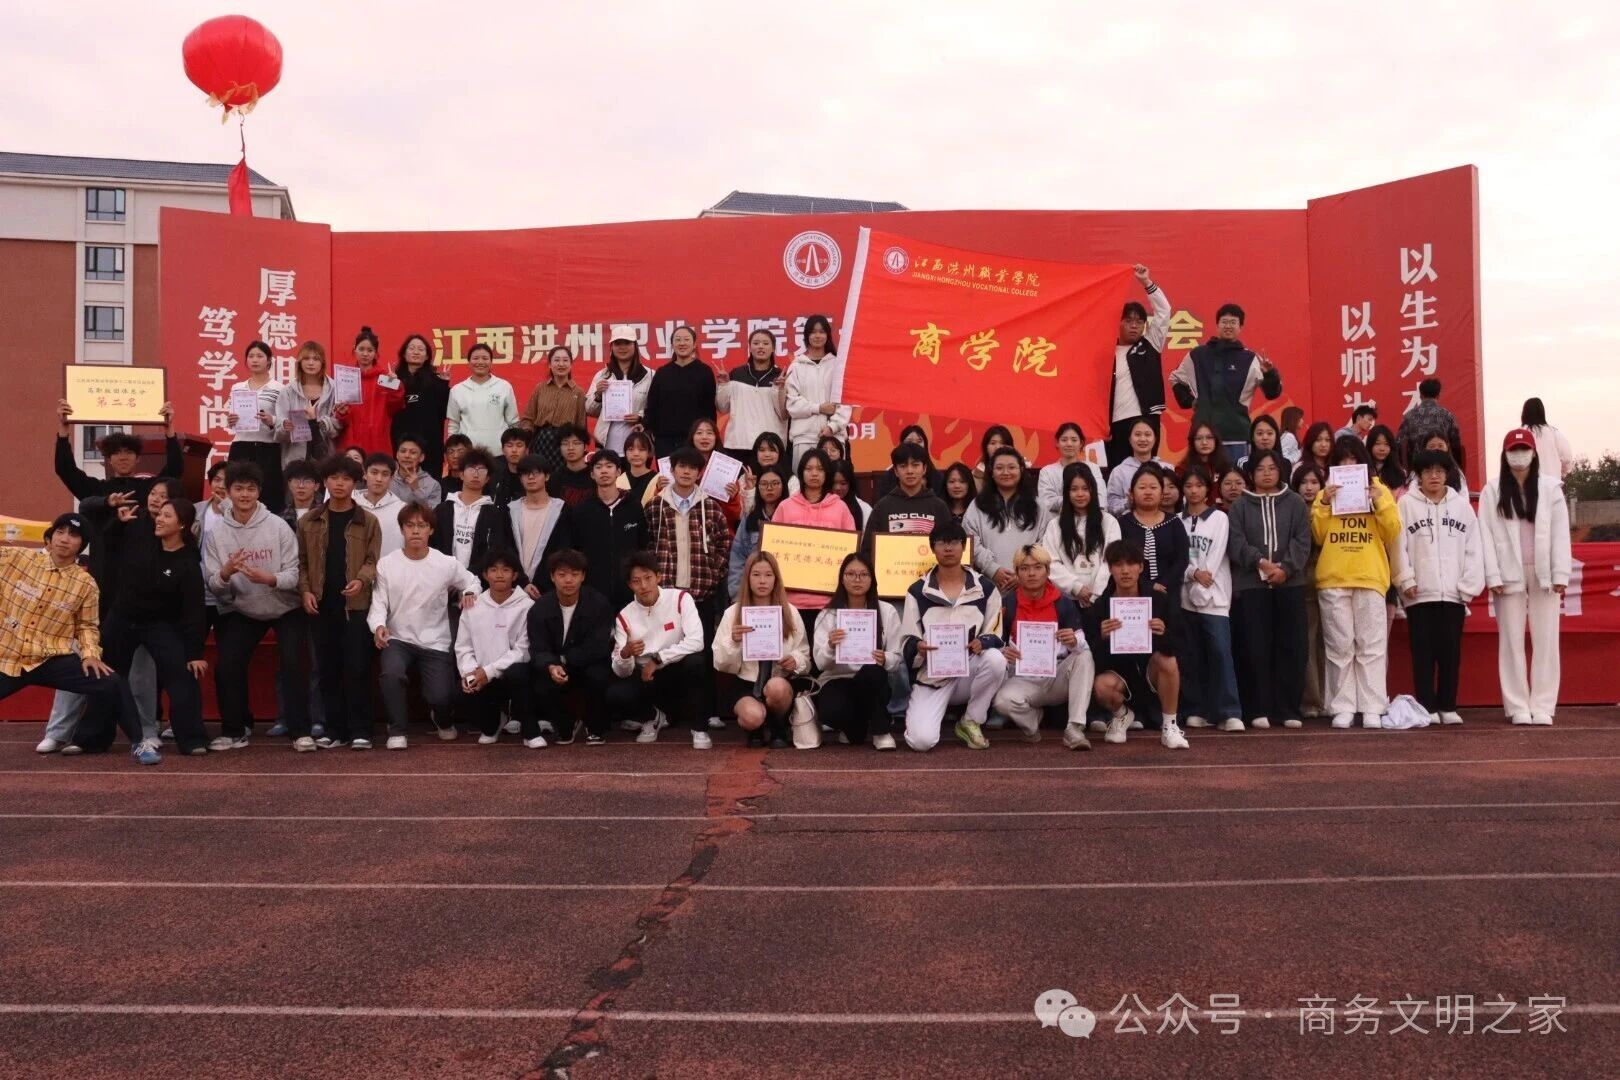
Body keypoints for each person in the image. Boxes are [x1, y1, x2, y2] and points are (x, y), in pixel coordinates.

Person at [3, 515, 138, 760]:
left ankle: (141, 743)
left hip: (50, 658)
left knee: (111, 682)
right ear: (49, 538)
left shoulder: (85, 583)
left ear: (81, 546)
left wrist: (90, 654)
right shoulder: (17, 558)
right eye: (60, 532)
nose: (65, 539)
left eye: (73, 535)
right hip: (7, 656)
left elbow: (87, 626)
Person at [203, 462, 307, 750]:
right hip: (245, 608)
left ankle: (300, 731)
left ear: (259, 492)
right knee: (227, 665)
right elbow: (213, 584)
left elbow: (296, 574)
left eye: (251, 489)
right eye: (239, 489)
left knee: (292, 663)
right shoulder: (217, 533)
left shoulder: (278, 526)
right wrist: (226, 573)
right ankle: (235, 730)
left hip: (286, 606)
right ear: (229, 492)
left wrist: (270, 578)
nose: (245, 495)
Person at [98, 498, 208, 761]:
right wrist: (117, 524)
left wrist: (195, 653)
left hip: (159, 625)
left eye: (167, 516)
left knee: (182, 674)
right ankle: (93, 737)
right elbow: (107, 544)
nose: (159, 519)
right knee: (105, 675)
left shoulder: (188, 563)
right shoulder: (142, 541)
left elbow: (194, 611)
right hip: (121, 618)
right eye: (160, 515)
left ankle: (192, 739)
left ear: (182, 525)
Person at [369, 502, 481, 749]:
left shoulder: (445, 563)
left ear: (431, 530)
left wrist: (469, 592)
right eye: (410, 525)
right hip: (397, 637)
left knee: (440, 697)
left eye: (422, 525)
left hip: (435, 640)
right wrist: (378, 626)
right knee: (391, 674)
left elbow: (472, 581)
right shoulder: (387, 564)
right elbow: (379, 602)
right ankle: (397, 730)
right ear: (402, 529)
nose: (416, 531)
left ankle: (442, 718)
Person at [1479, 428, 1571, 725]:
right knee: (1511, 639)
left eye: (1523, 449)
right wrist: (1492, 575)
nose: (1519, 455)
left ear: (1534, 453)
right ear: (1505, 455)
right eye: (1513, 450)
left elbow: (1560, 533)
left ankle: (1543, 704)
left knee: (1546, 638)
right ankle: (1517, 705)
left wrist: (1560, 572)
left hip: (1544, 572)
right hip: (1508, 573)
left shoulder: (1551, 488)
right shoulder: (1492, 490)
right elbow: (1485, 535)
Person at [1311, 437, 1403, 729]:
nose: (1348, 464)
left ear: (1363, 462)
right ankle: (1342, 706)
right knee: (1339, 646)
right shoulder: (1325, 493)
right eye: (1342, 460)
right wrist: (1324, 503)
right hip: (1333, 576)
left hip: (1370, 575)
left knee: (1371, 645)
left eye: (1354, 459)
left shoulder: (1380, 490)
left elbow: (1393, 531)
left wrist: (1379, 501)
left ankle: (1372, 706)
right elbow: (1318, 535)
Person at [899, 523, 1008, 752]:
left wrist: (982, 642)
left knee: (996, 659)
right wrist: (918, 647)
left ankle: (971, 720)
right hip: (932, 676)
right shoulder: (917, 591)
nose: (948, 548)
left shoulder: (985, 588)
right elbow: (907, 639)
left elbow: (995, 633)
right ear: (932, 548)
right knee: (921, 742)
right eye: (941, 543)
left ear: (964, 547)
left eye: (954, 542)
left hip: (970, 670)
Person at [297, 454, 380, 750]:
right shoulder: (308, 521)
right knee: (327, 669)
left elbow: (373, 560)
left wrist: (361, 579)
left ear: (355, 483)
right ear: (324, 482)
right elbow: (302, 563)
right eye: (334, 478)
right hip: (321, 605)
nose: (340, 484)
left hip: (355, 607)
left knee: (358, 668)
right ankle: (335, 730)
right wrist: (305, 591)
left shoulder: (368, 521)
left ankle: (361, 730)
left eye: (346, 478)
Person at [1396, 450, 1486, 725]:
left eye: (1439, 471)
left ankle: (1448, 705)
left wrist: (1467, 587)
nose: (1433, 476)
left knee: (1450, 654)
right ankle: (1427, 706)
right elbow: (1397, 546)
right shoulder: (1406, 505)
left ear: (1447, 474)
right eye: (1427, 471)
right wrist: (1406, 579)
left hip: (1453, 595)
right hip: (1419, 594)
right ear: (1419, 476)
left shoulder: (1462, 507)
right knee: (1422, 654)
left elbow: (1474, 548)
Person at [1226, 449, 1313, 730]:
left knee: (1292, 646)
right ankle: (1257, 708)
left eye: (1272, 468)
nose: (1266, 473)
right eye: (1260, 468)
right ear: (1251, 474)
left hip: (1290, 584)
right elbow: (1236, 543)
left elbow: (1302, 540)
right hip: (1251, 586)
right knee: (1254, 647)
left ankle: (1288, 709)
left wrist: (1285, 569)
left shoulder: (1295, 502)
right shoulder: (1240, 506)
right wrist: (1261, 563)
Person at [646, 446, 733, 725]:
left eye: (692, 468)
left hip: (700, 596)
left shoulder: (711, 507)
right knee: (665, 652)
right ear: (672, 470)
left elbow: (724, 544)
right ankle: (666, 712)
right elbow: (646, 546)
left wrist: (712, 575)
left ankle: (707, 713)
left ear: (699, 473)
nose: (686, 472)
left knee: (702, 653)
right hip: (666, 597)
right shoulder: (655, 507)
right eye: (681, 466)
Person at [1083, 540, 1186, 749]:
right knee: (1101, 686)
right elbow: (1089, 655)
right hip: (1120, 675)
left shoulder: (1159, 600)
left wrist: (1163, 633)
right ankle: (1121, 715)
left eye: (1131, 564)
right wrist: (1102, 637)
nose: (1125, 571)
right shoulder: (1101, 605)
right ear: (1110, 569)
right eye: (1118, 565)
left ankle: (1170, 726)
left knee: (1168, 661)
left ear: (1140, 567)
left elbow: (1181, 644)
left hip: (1151, 672)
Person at [992, 544, 1094, 749]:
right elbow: (994, 643)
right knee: (1002, 702)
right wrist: (1003, 652)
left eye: (1038, 567)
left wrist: (1074, 641)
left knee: (1084, 656)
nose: (1031, 574)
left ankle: (1074, 728)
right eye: (1024, 568)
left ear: (1047, 571)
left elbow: (1081, 643)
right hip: (1023, 678)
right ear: (1017, 573)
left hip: (1057, 676)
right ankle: (1031, 725)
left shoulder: (1063, 603)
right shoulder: (1007, 604)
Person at [609, 551, 711, 749]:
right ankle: (652, 717)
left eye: (648, 578)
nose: (644, 585)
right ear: (630, 585)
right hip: (646, 678)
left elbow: (697, 641)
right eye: (636, 581)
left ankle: (699, 728)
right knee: (616, 692)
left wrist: (658, 659)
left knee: (697, 661)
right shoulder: (624, 616)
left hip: (676, 668)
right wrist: (626, 653)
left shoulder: (680, 598)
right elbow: (621, 671)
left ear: (658, 576)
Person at [713, 551, 809, 748]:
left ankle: (778, 727)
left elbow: (805, 656)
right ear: (747, 578)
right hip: (745, 683)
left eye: (768, 575)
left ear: (776, 579)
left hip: (779, 680)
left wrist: (795, 660)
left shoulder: (790, 612)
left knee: (777, 687)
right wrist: (733, 641)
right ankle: (755, 728)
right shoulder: (732, 613)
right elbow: (720, 663)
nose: (762, 581)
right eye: (756, 574)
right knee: (752, 717)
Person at [813, 552, 904, 749]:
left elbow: (897, 658)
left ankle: (881, 731)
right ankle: (856, 726)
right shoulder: (828, 615)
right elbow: (820, 664)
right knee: (831, 711)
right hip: (837, 679)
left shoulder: (886, 611)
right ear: (842, 578)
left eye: (864, 574)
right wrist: (830, 646)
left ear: (872, 579)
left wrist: (885, 658)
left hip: (872, 680)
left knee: (873, 672)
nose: (857, 579)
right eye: (851, 574)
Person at [1170, 304, 1283, 460]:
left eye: (1233, 322)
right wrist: (1190, 401)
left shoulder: (1250, 359)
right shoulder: (1198, 355)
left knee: (1236, 475)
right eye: (1224, 322)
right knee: (1202, 475)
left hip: (1236, 436)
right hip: (1203, 436)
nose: (1228, 326)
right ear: (1217, 325)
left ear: (1240, 327)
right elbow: (1175, 378)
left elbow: (1272, 394)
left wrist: (1270, 374)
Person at [1176, 466, 1241, 732]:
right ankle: (1197, 709)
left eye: (1199, 486)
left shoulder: (1219, 518)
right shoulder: (1176, 521)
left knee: (1220, 653)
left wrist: (1202, 586)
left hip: (1215, 597)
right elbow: (1178, 558)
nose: (1194, 491)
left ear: (1207, 489)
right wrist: (1192, 575)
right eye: (1189, 486)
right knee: (1192, 656)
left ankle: (1229, 711)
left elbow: (1215, 556)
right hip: (1185, 598)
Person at [528, 549, 616, 745]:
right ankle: (565, 725)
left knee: (598, 676)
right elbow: (538, 647)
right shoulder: (540, 608)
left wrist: (564, 660)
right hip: (555, 664)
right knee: (540, 682)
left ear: (583, 576)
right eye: (562, 574)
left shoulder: (599, 604)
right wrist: (551, 665)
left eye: (575, 574)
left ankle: (596, 727)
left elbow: (598, 645)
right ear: (552, 577)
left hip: (589, 662)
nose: (568, 580)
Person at [454, 548, 539, 747]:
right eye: (493, 570)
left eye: (506, 570)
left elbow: (523, 651)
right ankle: (493, 724)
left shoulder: (527, 606)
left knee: (518, 673)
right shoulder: (473, 606)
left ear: (515, 575)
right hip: (482, 676)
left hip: (513, 674)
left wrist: (489, 672)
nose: (499, 575)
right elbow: (463, 647)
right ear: (485, 575)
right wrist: (470, 673)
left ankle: (530, 732)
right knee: (461, 690)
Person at [771, 449, 855, 633]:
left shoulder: (840, 508)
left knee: (825, 650)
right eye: (809, 469)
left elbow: (851, 555)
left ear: (827, 473)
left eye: (820, 469)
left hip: (829, 601)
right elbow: (771, 552)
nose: (814, 473)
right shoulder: (786, 507)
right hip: (791, 600)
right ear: (801, 472)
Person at [1107, 264, 1172, 468]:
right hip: (1115, 423)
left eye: (1139, 322)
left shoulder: (1150, 344)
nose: (1134, 325)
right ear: (1118, 323)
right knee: (1118, 472)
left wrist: (1146, 282)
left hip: (1146, 419)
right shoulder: (1107, 353)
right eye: (1129, 321)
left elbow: (1164, 311)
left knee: (1147, 473)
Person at [964, 447, 1049, 596]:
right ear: (991, 472)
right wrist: (992, 569)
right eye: (999, 468)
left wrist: (1024, 572)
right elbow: (970, 540)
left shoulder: (1037, 505)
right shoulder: (978, 505)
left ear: (1021, 470)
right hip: (988, 588)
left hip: (1029, 588)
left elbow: (1045, 541)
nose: (1006, 472)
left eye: (1011, 467)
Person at [572, 450, 646, 611]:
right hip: (592, 591)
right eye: (598, 467)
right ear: (592, 474)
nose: (604, 471)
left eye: (609, 466)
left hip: (629, 589)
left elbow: (643, 544)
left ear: (618, 472)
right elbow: (575, 550)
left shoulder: (633, 506)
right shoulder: (581, 510)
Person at [222, 339, 289, 515]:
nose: (255, 360)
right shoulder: (238, 387)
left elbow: (285, 421)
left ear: (269, 361)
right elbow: (231, 417)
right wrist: (231, 420)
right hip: (241, 446)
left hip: (268, 448)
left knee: (268, 495)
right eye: (251, 356)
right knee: (238, 491)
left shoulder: (279, 388)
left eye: (260, 356)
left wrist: (271, 420)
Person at [1042, 462, 1120, 607]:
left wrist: (1095, 594)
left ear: (1093, 490)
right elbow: (1050, 562)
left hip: (1101, 600)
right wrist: (1076, 588)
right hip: (1066, 601)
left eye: (1085, 489)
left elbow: (1111, 559)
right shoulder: (1055, 525)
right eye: (1074, 489)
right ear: (1066, 492)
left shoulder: (1109, 522)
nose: (1080, 494)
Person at [432, 448, 517, 580]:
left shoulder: (495, 514)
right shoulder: (443, 509)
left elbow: (496, 550)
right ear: (461, 474)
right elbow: (433, 546)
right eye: (471, 469)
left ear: (487, 478)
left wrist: (468, 577)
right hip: (443, 578)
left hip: (478, 581)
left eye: (481, 470)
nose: (476, 474)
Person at [1116, 463, 1190, 611]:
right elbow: (1118, 560)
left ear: (1162, 493)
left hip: (1168, 593)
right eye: (1142, 487)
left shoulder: (1174, 522)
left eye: (1153, 487)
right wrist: (1147, 585)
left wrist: (1163, 584)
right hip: (1132, 594)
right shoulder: (1122, 523)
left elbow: (1182, 559)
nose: (1148, 492)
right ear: (1131, 493)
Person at [504, 453, 576, 597]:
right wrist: (523, 582)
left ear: (547, 476)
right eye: (526, 473)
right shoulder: (510, 510)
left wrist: (540, 584)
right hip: (514, 587)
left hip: (549, 589)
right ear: (520, 478)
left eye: (536, 473)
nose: (531, 477)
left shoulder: (562, 510)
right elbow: (506, 549)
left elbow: (563, 550)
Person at [1289, 462, 1328, 717]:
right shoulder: (1295, 512)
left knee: (1331, 644)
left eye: (1314, 482)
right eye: (1304, 483)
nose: (1309, 488)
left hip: (1332, 582)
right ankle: (1313, 700)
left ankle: (1330, 698)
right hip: (1305, 585)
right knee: (1310, 644)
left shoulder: (1332, 509)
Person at [643, 325, 716, 458]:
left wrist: (708, 434)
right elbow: (652, 405)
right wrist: (649, 430)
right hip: (665, 441)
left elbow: (709, 408)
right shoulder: (662, 373)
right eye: (677, 340)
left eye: (686, 339)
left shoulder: (704, 372)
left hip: (695, 440)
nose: (682, 343)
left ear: (694, 344)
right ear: (672, 345)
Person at [784, 314, 848, 467]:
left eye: (821, 331)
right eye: (813, 332)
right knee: (805, 479)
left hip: (834, 439)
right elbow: (792, 404)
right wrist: (818, 408)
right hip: (804, 438)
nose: (817, 336)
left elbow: (846, 401)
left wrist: (832, 427)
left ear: (828, 335)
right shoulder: (796, 366)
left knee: (836, 480)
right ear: (806, 336)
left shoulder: (838, 365)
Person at [717, 327, 789, 460]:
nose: (760, 347)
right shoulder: (736, 374)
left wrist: (780, 389)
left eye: (766, 343)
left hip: (769, 447)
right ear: (749, 348)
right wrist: (724, 385)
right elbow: (722, 407)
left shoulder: (781, 376)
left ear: (773, 348)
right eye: (756, 343)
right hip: (738, 443)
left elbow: (783, 414)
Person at [864, 442, 952, 551]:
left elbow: (949, 546)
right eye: (903, 466)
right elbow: (868, 549)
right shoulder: (882, 507)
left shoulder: (939, 507)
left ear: (924, 469)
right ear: (896, 471)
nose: (910, 471)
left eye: (915, 465)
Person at [337, 326, 405, 458]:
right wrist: (342, 413)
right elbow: (341, 417)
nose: (365, 354)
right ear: (354, 350)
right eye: (361, 349)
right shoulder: (346, 376)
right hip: (351, 442)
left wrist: (396, 385)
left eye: (370, 350)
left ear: (376, 353)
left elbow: (395, 407)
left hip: (378, 441)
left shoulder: (385, 378)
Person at [585, 326, 654, 455]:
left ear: (635, 346)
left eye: (627, 343)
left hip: (637, 449)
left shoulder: (650, 376)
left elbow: (656, 410)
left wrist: (640, 417)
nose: (622, 347)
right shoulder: (602, 375)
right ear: (612, 347)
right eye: (617, 343)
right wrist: (598, 395)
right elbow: (589, 410)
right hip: (606, 446)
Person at [519, 344, 587, 472]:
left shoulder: (578, 392)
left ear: (571, 365)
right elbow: (528, 418)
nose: (561, 364)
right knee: (539, 475)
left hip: (566, 444)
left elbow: (581, 425)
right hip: (541, 442)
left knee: (562, 478)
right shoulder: (540, 388)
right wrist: (526, 436)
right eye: (556, 360)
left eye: (565, 360)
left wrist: (578, 448)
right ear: (550, 364)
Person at [391, 333, 451, 475]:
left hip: (430, 449)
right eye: (412, 348)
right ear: (404, 354)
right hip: (401, 447)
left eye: (420, 349)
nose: (416, 352)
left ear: (427, 356)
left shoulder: (436, 382)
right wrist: (392, 386)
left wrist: (444, 385)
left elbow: (444, 413)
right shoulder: (395, 380)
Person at [276, 340, 342, 467]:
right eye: (306, 358)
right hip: (295, 458)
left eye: (316, 359)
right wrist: (285, 427)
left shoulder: (334, 389)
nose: (311, 363)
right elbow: (279, 431)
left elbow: (339, 424)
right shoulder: (288, 391)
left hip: (326, 457)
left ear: (322, 362)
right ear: (300, 362)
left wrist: (321, 423)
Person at [728, 465, 791, 598]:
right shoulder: (750, 517)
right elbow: (737, 558)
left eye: (775, 483)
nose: (769, 488)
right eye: (764, 484)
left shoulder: (791, 517)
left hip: (786, 592)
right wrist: (737, 595)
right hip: (752, 593)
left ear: (783, 486)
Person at [447, 343, 520, 454]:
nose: (480, 362)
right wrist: (453, 450)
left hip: (499, 452)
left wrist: (513, 449)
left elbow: (513, 423)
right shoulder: (457, 390)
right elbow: (453, 425)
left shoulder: (504, 386)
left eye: (485, 358)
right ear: (469, 362)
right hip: (468, 453)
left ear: (491, 362)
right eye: (476, 358)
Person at [1395, 377, 1463, 472]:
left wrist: (1406, 470)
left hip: (1417, 470)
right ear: (1438, 395)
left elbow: (1400, 445)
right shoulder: (1447, 415)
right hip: (1442, 469)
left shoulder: (1409, 416)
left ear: (1420, 395)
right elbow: (1456, 446)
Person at [1038, 422, 1106, 515]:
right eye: (1064, 440)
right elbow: (1046, 501)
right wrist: (1072, 499)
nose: (1069, 444)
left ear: (1081, 443)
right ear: (1057, 443)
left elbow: (1101, 497)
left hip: (1091, 518)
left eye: (1074, 440)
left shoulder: (1093, 468)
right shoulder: (1047, 471)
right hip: (1058, 519)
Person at [1106, 419, 1171, 515]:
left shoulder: (1166, 468)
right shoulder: (1119, 471)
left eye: (1147, 435)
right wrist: (1128, 502)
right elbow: (1111, 505)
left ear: (1155, 439)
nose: (1143, 439)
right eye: (1137, 434)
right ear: (1129, 439)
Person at [873, 425, 943, 501]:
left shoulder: (937, 477)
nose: (915, 445)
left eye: (919, 441)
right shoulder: (888, 477)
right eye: (909, 442)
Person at [358, 453, 407, 558]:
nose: (379, 479)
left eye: (385, 474)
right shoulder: (352, 504)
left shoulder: (402, 510)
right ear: (365, 474)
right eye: (374, 473)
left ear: (392, 478)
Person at [1519, 397, 1575, 483]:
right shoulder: (1555, 433)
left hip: (1525, 486)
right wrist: (1561, 473)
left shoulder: (1518, 434)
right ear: (1542, 412)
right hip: (1551, 485)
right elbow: (1567, 458)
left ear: (1524, 413)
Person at [548, 424, 597, 507]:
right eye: (565, 443)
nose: (570, 448)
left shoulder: (595, 476)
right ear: (560, 448)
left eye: (576, 443)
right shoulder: (554, 478)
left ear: (585, 447)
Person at [390, 435, 443, 508]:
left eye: (413, 452)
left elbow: (432, 512)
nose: (407, 455)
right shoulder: (388, 480)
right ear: (397, 455)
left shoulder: (433, 485)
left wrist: (417, 490)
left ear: (421, 457)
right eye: (403, 451)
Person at [487, 427, 534, 508]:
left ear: (527, 450)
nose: (514, 450)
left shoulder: (534, 476)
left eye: (519, 445)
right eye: (509, 445)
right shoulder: (494, 475)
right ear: (503, 450)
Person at [1179, 420, 1234, 486]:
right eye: (1199, 438)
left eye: (1209, 437)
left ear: (1216, 441)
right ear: (1192, 443)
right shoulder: (1183, 469)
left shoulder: (1227, 468)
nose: (1204, 442)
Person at [620, 431, 660, 505]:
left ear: (649, 453)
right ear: (625, 453)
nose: (636, 454)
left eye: (641, 449)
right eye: (631, 449)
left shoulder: (658, 480)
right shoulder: (618, 481)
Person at [280, 459, 323, 527]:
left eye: (307, 481)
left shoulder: (325, 514)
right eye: (296, 481)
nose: (301, 486)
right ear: (289, 485)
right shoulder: (281, 519)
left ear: (316, 486)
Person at [1367, 424, 1406, 494]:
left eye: (1386, 444)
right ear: (1370, 445)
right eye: (1377, 444)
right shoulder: (1364, 471)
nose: (1382, 448)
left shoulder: (1399, 472)